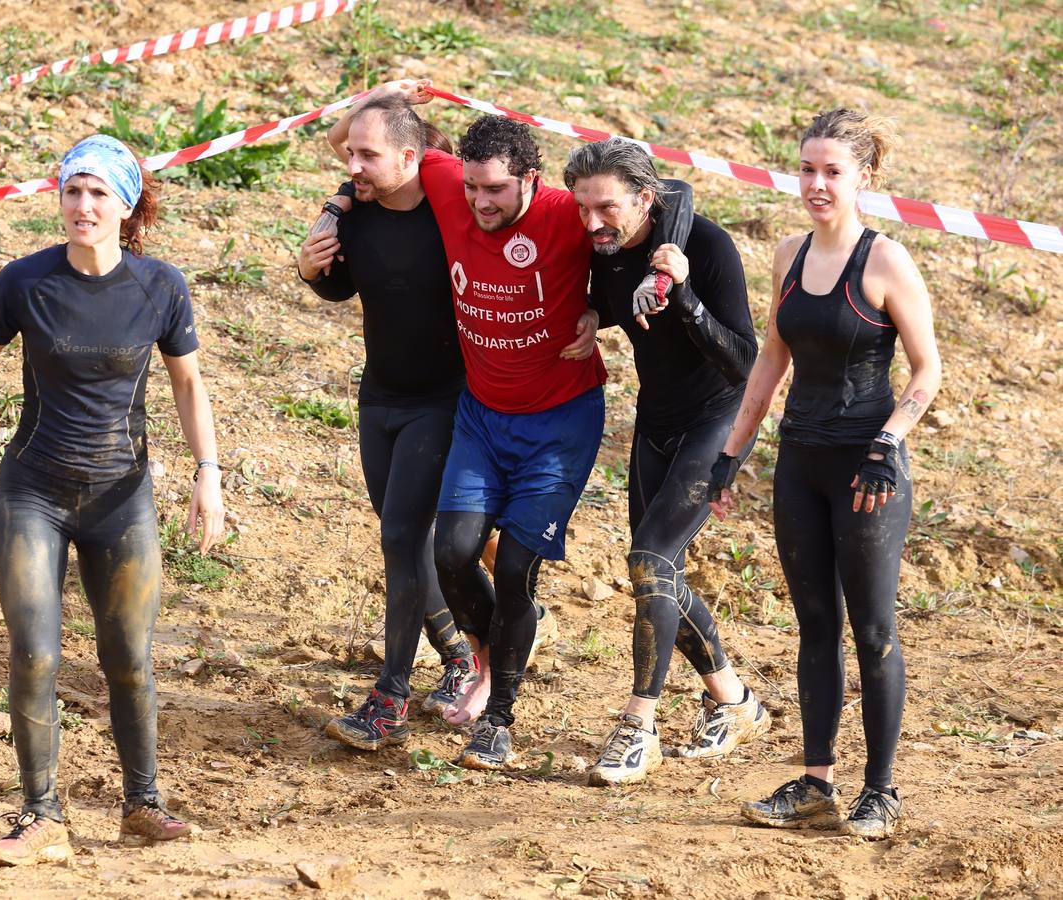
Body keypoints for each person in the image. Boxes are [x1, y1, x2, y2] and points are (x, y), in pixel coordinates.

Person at [0, 134, 225, 865]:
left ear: (126, 206)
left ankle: (142, 805)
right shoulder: (27, 281)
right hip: (34, 492)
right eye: (72, 192)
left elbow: (189, 384)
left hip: (122, 498)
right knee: (34, 654)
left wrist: (208, 472)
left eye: (98, 194)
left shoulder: (161, 287)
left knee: (130, 658)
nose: (83, 207)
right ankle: (41, 815)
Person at [325, 83, 682, 771]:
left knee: (516, 568)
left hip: (560, 420)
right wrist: (359, 146)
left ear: (531, 181)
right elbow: (355, 146)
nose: (480, 204)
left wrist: (601, 314)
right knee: (451, 551)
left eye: (495, 191)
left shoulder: (564, 212)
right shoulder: (441, 178)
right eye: (472, 189)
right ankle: (484, 656)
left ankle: (500, 718)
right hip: (481, 418)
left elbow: (668, 200)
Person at [709, 109, 940, 839]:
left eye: (831, 171)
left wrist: (889, 440)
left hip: (867, 473)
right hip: (800, 462)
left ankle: (882, 791)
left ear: (863, 177)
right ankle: (817, 784)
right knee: (815, 628)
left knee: (871, 631)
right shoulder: (788, 254)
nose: (815, 183)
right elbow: (770, 362)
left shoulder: (886, 261)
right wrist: (730, 452)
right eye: (806, 169)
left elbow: (928, 371)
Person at [565, 139, 772, 786]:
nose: (593, 222)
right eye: (582, 209)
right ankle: (736, 702)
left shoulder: (705, 248)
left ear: (644, 200)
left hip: (718, 420)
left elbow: (745, 358)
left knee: (649, 563)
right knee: (657, 572)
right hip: (655, 423)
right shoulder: (603, 250)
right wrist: (595, 316)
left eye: (607, 208)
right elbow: (613, 293)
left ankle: (639, 725)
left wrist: (683, 296)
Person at [296, 97, 479, 750]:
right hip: (381, 398)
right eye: (351, 153)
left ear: (414, 157)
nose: (353, 164)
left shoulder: (453, 207)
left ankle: (390, 697)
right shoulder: (357, 214)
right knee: (404, 540)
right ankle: (463, 650)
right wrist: (312, 268)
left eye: (368, 155)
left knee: (404, 535)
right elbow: (340, 289)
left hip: (444, 399)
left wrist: (386, 96)